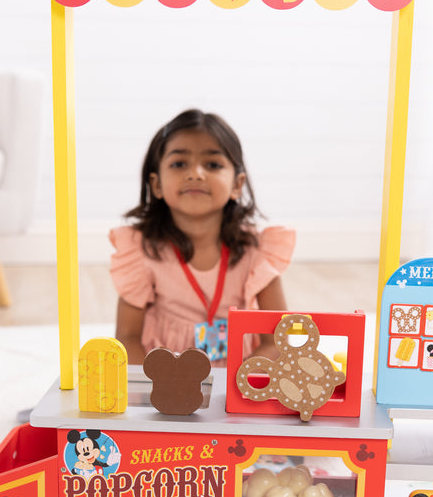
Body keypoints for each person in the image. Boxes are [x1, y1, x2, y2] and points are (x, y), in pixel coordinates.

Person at [110, 108, 295, 366]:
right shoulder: (140, 251)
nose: (196, 173)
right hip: (163, 382)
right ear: (157, 184)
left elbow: (275, 342)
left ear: (237, 185)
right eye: (179, 164)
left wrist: (239, 383)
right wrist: (156, 384)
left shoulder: (259, 250)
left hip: (239, 382)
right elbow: (127, 339)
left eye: (213, 165)